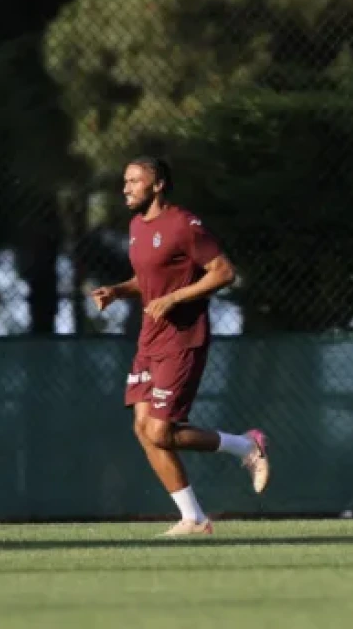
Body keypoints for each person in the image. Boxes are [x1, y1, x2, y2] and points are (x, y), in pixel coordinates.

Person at [91, 156, 269, 537]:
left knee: (161, 431)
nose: (125, 188)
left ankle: (246, 446)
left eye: (134, 181)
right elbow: (149, 278)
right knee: (143, 429)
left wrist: (174, 299)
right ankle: (194, 519)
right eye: (125, 180)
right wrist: (118, 290)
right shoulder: (137, 226)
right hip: (149, 340)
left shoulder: (183, 224)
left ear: (157, 185)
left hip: (182, 339)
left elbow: (223, 272)